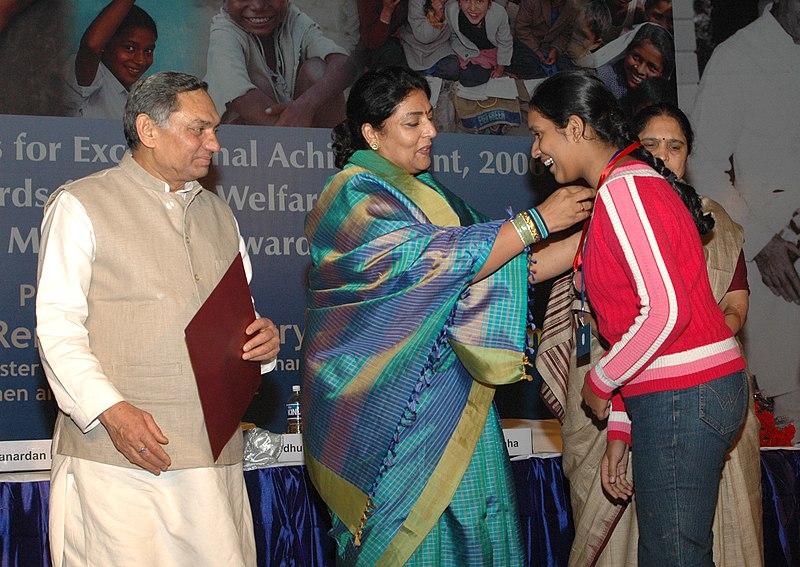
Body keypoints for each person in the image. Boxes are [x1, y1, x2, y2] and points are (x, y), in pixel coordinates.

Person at [301, 66, 594, 566]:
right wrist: (537, 221)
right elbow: (434, 261)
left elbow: (501, 268)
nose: (432, 132)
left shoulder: (430, 194)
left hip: (459, 403)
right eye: (413, 122)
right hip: (396, 419)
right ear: (372, 134)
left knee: (478, 530)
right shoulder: (353, 195)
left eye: (430, 118)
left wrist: (591, 231)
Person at [36, 71, 281, 566]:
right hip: (120, 460)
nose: (214, 142)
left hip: (214, 462)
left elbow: (242, 315)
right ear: (148, 130)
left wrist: (263, 342)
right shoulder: (80, 204)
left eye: (215, 129)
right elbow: (57, 327)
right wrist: (113, 412)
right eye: (199, 129)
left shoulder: (220, 215)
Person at [528, 70, 747, 566]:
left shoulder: (624, 190)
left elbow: (666, 313)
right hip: (677, 393)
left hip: (685, 394)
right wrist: (622, 430)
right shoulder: (629, 185)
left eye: (541, 133)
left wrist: (601, 383)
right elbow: (637, 329)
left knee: (671, 557)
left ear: (577, 128)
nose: (538, 149)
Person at [689, 0, 800, 443]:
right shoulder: (738, 57)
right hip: (778, 275)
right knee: (785, 430)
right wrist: (759, 242)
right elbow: (702, 164)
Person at [204, 0, 354, 127]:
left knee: (317, 71)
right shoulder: (224, 31)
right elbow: (241, 98)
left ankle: (332, 151)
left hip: (303, 137)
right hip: (248, 149)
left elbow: (344, 64)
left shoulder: (291, 18)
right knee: (255, 83)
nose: (258, 6)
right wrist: (293, 137)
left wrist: (306, 105)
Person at [64, 0, 157, 119]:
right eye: (129, 48)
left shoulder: (140, 97)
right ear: (105, 44)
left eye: (148, 51)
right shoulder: (90, 78)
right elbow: (92, 46)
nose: (140, 60)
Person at [594, 22, 674, 116]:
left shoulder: (660, 102)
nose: (640, 70)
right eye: (636, 57)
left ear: (663, 74)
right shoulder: (603, 79)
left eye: (651, 67)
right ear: (627, 51)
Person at [446, 0, 513, 87]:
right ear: (459, 2)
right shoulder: (451, 11)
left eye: (480, 1)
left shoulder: (499, 13)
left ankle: (498, 66)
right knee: (468, 78)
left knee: (531, 64)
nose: (473, 8)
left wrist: (500, 69)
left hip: (493, 49)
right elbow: (452, 37)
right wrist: (464, 54)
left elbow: (505, 42)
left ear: (489, 4)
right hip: (468, 50)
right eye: (467, 0)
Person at [507, 0, 580, 79]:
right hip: (526, 43)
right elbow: (521, 28)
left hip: (550, 46)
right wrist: (535, 50)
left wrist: (555, 49)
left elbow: (565, 34)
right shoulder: (531, 2)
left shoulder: (572, 8)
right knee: (531, 65)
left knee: (567, 70)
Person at [399, 0, 459, 79]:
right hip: (416, 47)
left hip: (441, 45)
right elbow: (423, 37)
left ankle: (427, 72)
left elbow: (455, 30)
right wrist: (437, 17)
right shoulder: (416, 2)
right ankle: (423, 71)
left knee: (453, 68)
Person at [356, 0, 410, 69]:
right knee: (392, 49)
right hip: (368, 47)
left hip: (401, 38)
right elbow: (370, 41)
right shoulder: (368, 3)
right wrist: (386, 13)